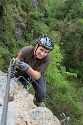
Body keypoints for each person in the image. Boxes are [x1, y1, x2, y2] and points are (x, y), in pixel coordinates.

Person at [11, 35, 54, 107]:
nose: (42, 54)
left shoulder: (47, 58)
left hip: (36, 73)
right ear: (36, 46)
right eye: (41, 50)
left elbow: (37, 76)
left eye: (46, 52)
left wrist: (27, 68)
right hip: (22, 73)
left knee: (42, 94)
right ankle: (24, 83)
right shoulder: (25, 51)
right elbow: (15, 64)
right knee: (19, 79)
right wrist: (12, 69)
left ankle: (38, 102)